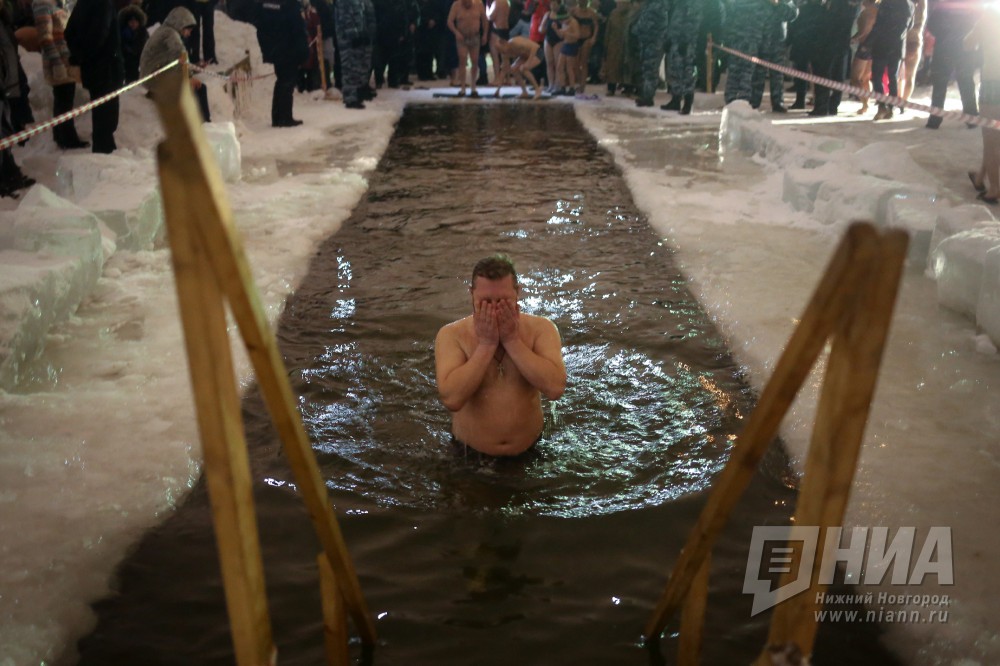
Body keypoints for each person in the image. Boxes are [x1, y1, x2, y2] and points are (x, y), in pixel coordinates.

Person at [435, 255, 566, 457]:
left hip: (531, 449)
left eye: (503, 301)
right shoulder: (452, 335)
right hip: (469, 454)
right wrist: (486, 345)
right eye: (486, 302)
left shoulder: (542, 329)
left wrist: (513, 341)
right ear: (471, 293)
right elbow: (452, 399)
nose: (495, 309)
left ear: (517, 292)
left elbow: (555, 388)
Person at [64, 0, 124, 153]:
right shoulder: (103, 4)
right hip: (107, 68)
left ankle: (105, 148)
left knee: (101, 113)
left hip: (92, 69)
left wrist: (79, 56)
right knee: (107, 115)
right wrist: (85, 55)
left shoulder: (82, 4)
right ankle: (104, 151)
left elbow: (69, 32)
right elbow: (99, 36)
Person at [33, 0, 88, 149]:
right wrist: (57, 63)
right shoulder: (43, 5)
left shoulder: (61, 5)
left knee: (64, 100)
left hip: (67, 60)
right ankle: (67, 138)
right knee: (64, 101)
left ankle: (61, 135)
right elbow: (45, 38)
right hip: (59, 63)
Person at [139, 6, 210, 121]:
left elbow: (175, 60)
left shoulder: (165, 31)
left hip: (152, 75)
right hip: (155, 78)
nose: (189, 34)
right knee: (200, 89)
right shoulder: (170, 34)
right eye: (188, 30)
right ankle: (204, 122)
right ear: (181, 24)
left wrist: (194, 68)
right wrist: (188, 77)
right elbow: (179, 53)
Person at [965, 5, 1000, 204]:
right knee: (994, 138)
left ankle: (994, 188)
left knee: (991, 140)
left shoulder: (988, 20)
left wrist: (979, 26)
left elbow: (967, 44)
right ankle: (980, 177)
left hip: (994, 84)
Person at [255, 0, 309, 124]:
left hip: (275, 48)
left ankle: (278, 116)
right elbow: (297, 28)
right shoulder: (289, 4)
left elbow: (260, 26)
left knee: (281, 81)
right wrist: (303, 50)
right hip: (289, 48)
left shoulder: (266, 4)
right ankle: (285, 117)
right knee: (287, 82)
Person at [868, 0, 913, 121]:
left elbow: (878, 25)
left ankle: (882, 106)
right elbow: (909, 25)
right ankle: (891, 107)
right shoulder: (908, 4)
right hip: (897, 46)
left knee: (877, 77)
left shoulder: (886, 3)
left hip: (882, 45)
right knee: (893, 77)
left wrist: (868, 43)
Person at [335, 0, 376, 109]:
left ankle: (360, 91)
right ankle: (350, 98)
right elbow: (345, 18)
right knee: (350, 68)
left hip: (361, 36)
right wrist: (353, 34)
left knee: (361, 66)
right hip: (348, 39)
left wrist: (367, 33)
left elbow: (365, 15)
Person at [447, 0, 488, 96]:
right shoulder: (456, 5)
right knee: (462, 60)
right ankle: (463, 88)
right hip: (462, 37)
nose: (466, 5)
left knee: (475, 61)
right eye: (464, 3)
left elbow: (485, 20)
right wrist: (456, 33)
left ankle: (473, 86)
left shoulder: (479, 4)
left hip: (475, 36)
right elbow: (449, 21)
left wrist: (485, 34)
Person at [850, 0, 878, 115]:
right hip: (874, 46)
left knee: (855, 78)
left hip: (864, 46)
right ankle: (866, 103)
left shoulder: (867, 12)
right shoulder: (877, 11)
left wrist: (854, 38)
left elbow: (865, 30)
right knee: (865, 78)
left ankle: (865, 103)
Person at [119, 2, 148, 83]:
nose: (133, 23)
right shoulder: (122, 34)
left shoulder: (143, 34)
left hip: (137, 67)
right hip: (124, 67)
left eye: (135, 21)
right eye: (131, 21)